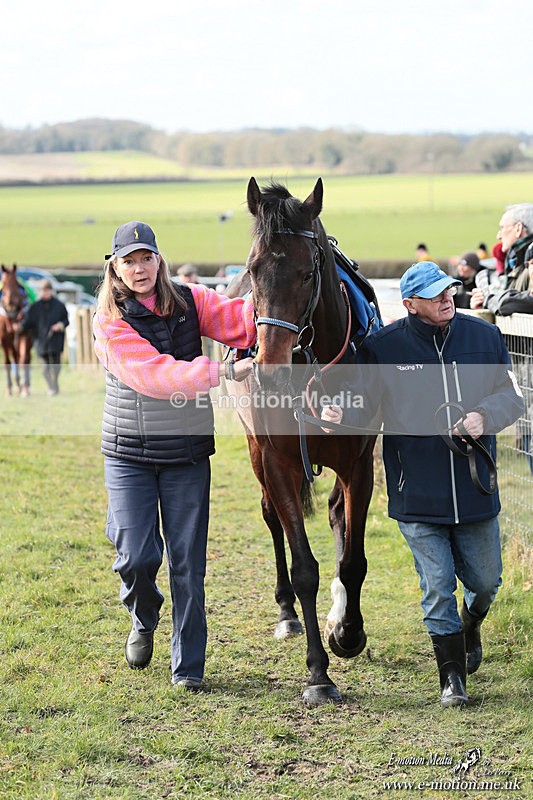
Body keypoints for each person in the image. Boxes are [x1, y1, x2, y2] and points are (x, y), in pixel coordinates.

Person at [321, 261, 524, 708]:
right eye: (434, 295)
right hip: (416, 492)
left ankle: (469, 626)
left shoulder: (485, 337)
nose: (446, 298)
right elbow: (363, 405)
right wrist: (339, 416)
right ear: (410, 304)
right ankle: (451, 681)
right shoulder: (382, 348)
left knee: (485, 582)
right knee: (437, 587)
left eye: (448, 290)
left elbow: (513, 397)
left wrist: (484, 416)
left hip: (475, 488)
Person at [93, 221, 255, 690]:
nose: (139, 268)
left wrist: (289, 285)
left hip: (186, 453)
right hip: (129, 454)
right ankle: (144, 616)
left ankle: (188, 668)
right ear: (115, 268)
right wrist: (222, 372)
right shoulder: (108, 320)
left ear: (158, 261)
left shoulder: (192, 300)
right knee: (136, 556)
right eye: (129, 261)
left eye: (146, 258)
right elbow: (155, 375)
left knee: (187, 563)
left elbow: (242, 319)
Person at [471, 203, 533, 314]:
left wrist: (488, 299)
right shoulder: (517, 267)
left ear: (518, 229)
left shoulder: (528, 264)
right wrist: (483, 308)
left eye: (502, 228)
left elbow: (513, 303)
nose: (498, 236)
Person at [18, 278, 69, 396]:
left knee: (56, 367)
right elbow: (28, 323)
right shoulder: (34, 307)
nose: (45, 293)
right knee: (45, 369)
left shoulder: (59, 305)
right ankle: (52, 387)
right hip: (41, 342)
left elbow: (66, 320)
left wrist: (60, 325)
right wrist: (19, 326)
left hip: (56, 341)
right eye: (43, 291)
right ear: (40, 291)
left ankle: (54, 385)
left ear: (51, 291)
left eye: (47, 290)